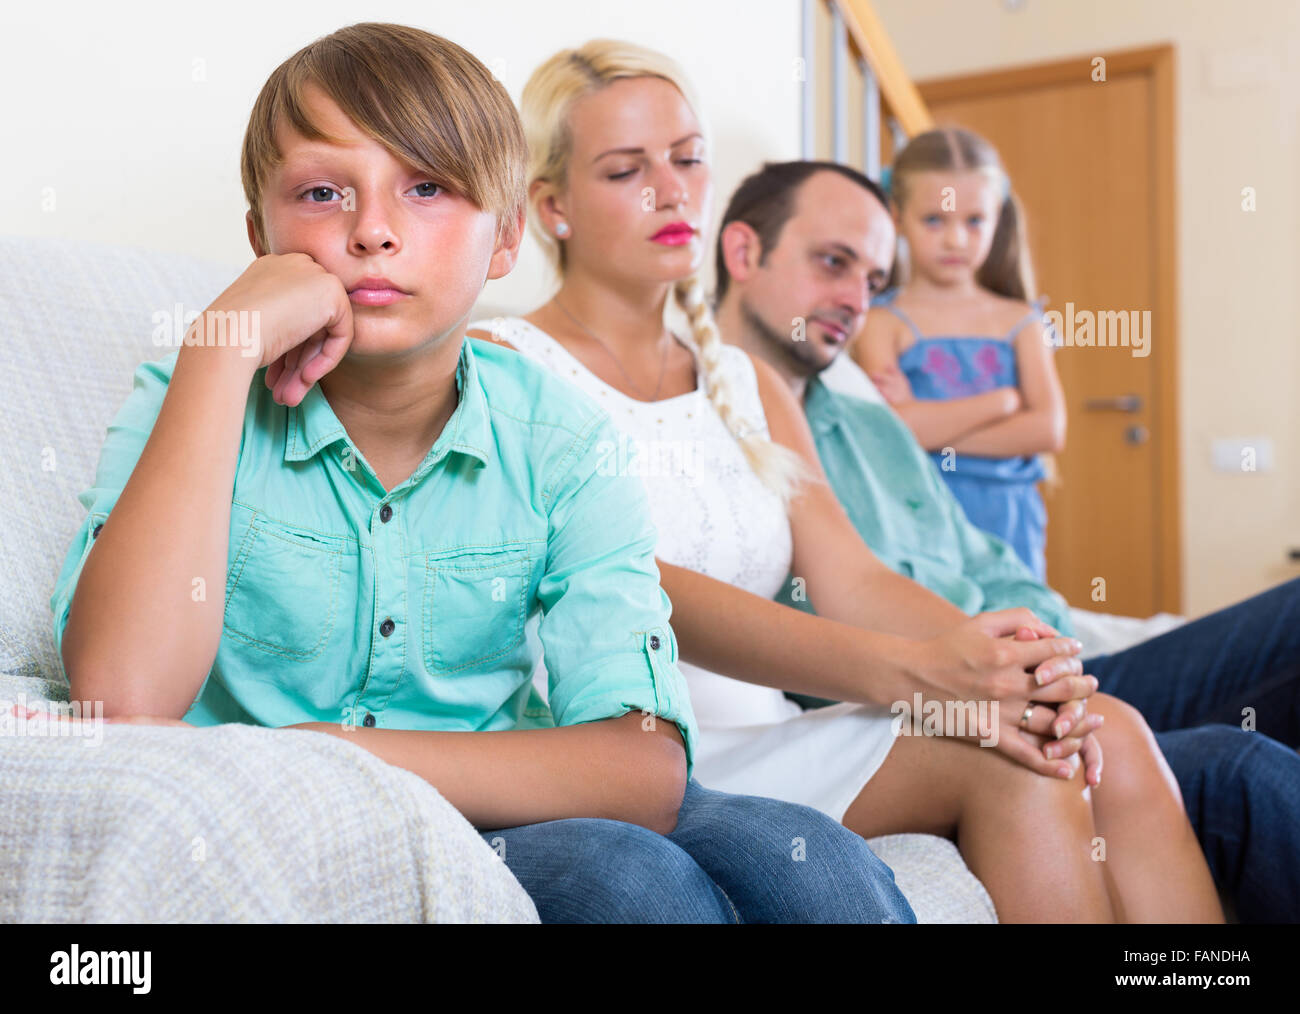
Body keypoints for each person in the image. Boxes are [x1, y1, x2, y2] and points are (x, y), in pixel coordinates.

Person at [47, 23, 916, 925]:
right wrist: (219, 350)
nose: (373, 232)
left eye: (426, 188)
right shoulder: (193, 396)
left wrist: (330, 748)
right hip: (314, 820)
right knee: (626, 878)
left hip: (499, 784)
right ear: (259, 234)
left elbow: (643, 765)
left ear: (505, 240)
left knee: (813, 866)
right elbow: (124, 700)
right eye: (320, 192)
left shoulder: (561, 439)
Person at [470, 37, 1223, 922]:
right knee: (1007, 756)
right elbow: (639, 589)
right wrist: (922, 676)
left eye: (687, 160)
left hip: (772, 730)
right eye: (626, 170)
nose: (671, 191)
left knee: (1102, 729)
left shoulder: (744, 383)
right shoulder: (506, 366)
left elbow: (852, 580)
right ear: (551, 205)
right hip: (641, 744)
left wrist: (1009, 669)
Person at [715, 156, 1300, 923]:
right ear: (742, 253)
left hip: (1028, 661)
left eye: (873, 279)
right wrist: (1010, 669)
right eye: (833, 263)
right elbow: (831, 612)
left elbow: (988, 561)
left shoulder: (868, 421)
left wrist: (1045, 647)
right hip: (947, 685)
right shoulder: (718, 418)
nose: (856, 300)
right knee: (1237, 761)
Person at [853, 128, 1061, 580]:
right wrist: (1001, 405)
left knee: (1016, 629)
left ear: (996, 218)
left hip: (1010, 519)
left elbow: (1048, 429)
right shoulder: (879, 322)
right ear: (897, 216)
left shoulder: (1021, 320)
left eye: (974, 221)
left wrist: (928, 427)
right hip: (919, 514)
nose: (955, 240)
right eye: (934, 220)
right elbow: (893, 433)